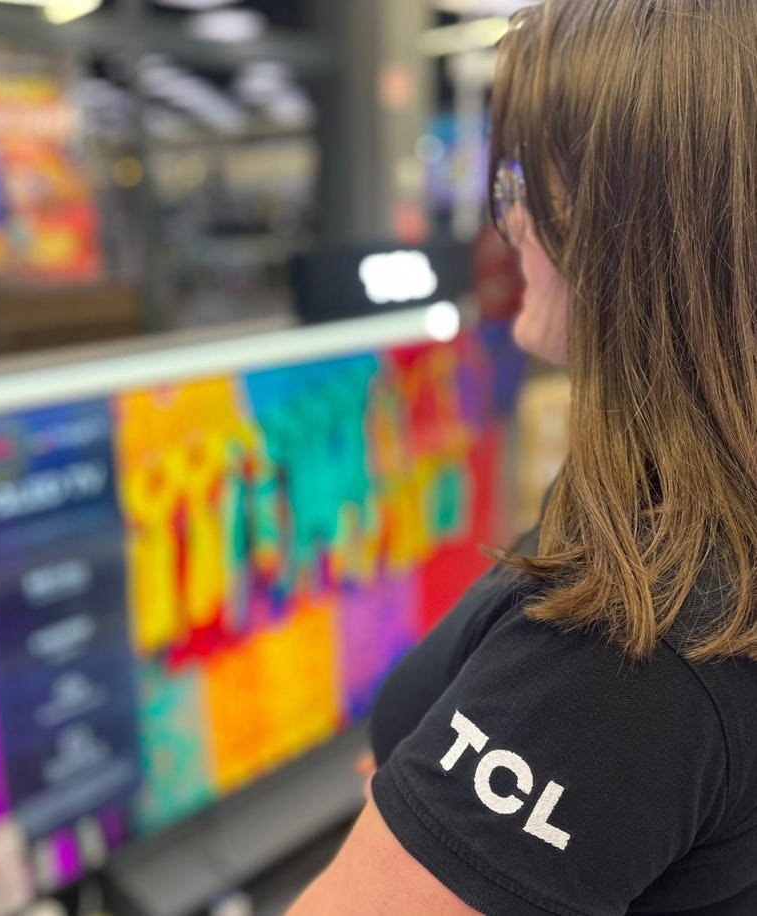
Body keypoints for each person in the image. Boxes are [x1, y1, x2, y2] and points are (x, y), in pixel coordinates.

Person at [289, 0, 757, 913]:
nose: (508, 228)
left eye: (519, 184)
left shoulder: (631, 639)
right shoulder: (688, 500)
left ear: (622, 222)